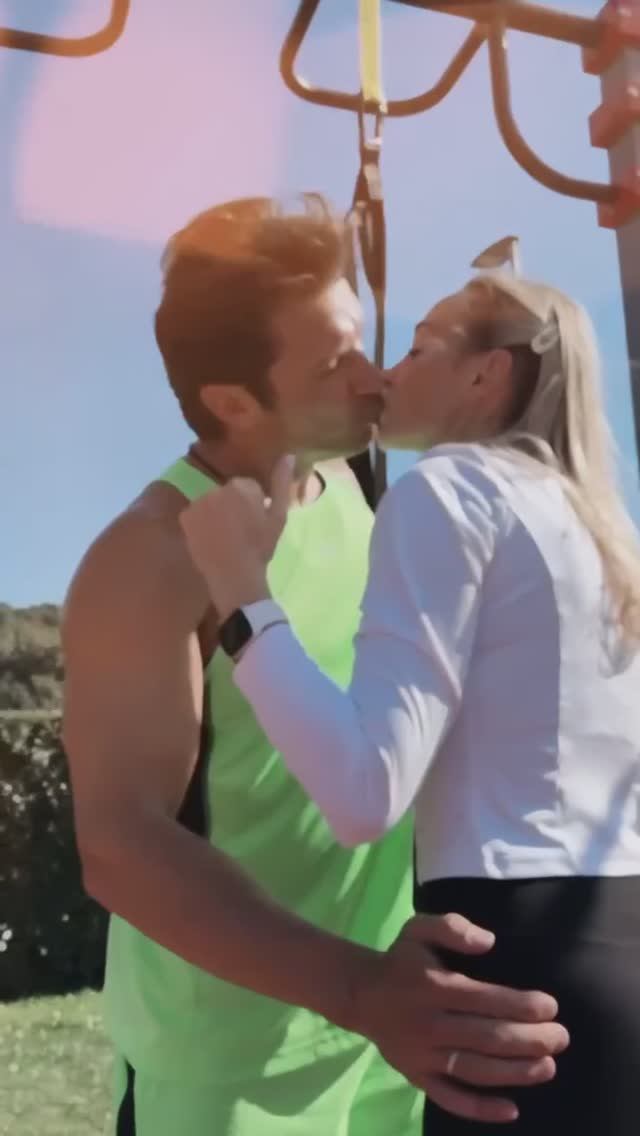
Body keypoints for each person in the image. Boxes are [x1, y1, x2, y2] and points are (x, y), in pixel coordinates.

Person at [62, 197, 568, 1136]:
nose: (376, 378)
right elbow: (123, 847)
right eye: (336, 364)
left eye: (364, 344)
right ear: (232, 402)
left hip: (395, 1032)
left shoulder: (361, 495)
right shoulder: (149, 557)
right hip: (234, 1073)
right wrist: (360, 989)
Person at [180, 267, 640, 1135]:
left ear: (486, 375)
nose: (386, 372)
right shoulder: (597, 528)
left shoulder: (448, 487)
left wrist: (243, 596)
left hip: (509, 986)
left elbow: (366, 792)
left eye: (421, 348)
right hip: (619, 949)